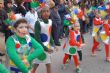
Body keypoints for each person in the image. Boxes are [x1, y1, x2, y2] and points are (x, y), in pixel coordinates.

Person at [31, 5, 56, 73]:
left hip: (47, 46)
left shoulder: (50, 21)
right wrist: (46, 48)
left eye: (47, 11)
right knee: (40, 63)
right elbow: (37, 38)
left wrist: (53, 44)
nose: (46, 13)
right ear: (41, 13)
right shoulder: (38, 23)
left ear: (50, 12)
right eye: (44, 11)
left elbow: (49, 34)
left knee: (42, 63)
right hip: (40, 47)